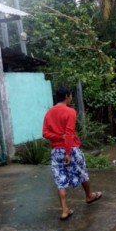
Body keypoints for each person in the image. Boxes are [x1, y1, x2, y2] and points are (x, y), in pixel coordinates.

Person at [42, 86, 102, 221]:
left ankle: (64, 211)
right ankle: (89, 196)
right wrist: (68, 152)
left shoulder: (49, 113)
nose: (71, 98)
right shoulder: (70, 112)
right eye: (70, 96)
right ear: (67, 96)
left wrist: (58, 137)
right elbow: (69, 134)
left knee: (60, 180)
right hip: (71, 150)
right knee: (82, 172)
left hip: (56, 151)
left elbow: (45, 133)